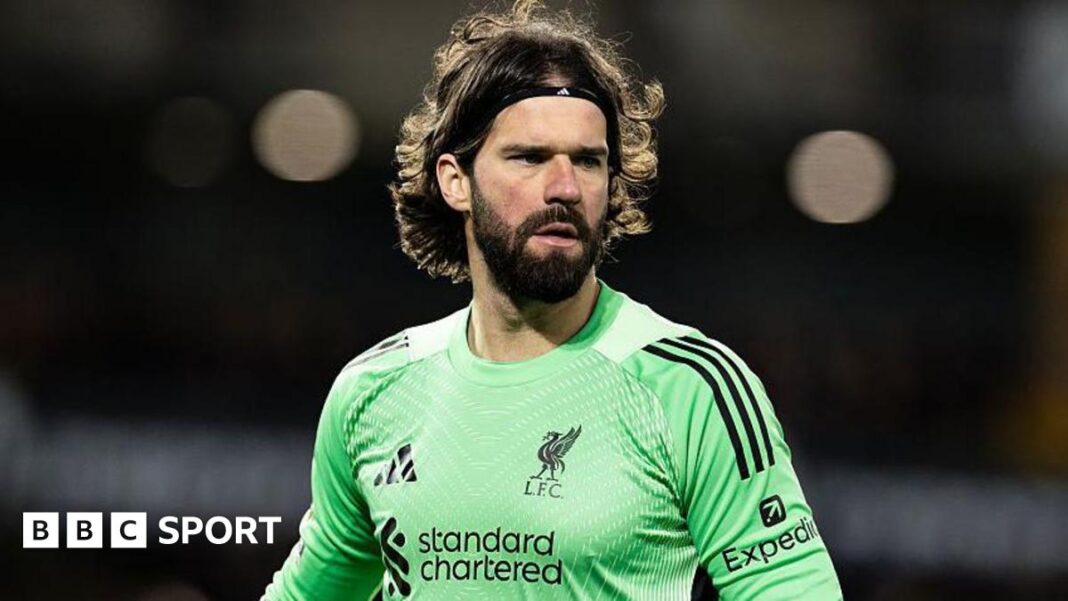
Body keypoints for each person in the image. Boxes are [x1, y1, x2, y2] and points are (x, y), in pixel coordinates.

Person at [263, 1, 841, 599]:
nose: (565, 188)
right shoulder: (373, 392)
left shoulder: (691, 389)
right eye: (530, 157)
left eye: (588, 162)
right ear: (455, 180)